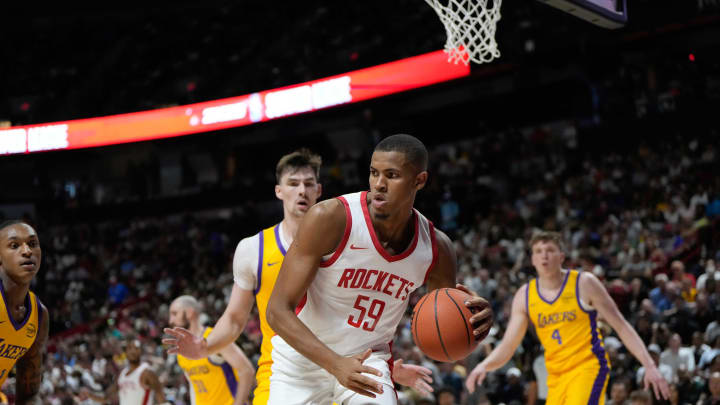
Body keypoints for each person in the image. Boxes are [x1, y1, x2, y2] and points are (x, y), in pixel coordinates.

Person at [164, 147, 437, 404]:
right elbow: (235, 318)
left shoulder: (347, 237)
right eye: (293, 184)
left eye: (308, 184)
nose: (302, 191)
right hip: (285, 372)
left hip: (345, 367)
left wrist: (384, 364)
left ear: (319, 190)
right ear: (279, 191)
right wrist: (205, 347)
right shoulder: (253, 249)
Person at [265, 134, 492, 404]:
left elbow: (445, 330)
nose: (379, 185)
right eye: (374, 173)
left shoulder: (436, 249)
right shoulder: (331, 218)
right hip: (300, 364)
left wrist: (475, 325)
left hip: (368, 362)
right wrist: (336, 364)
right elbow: (276, 310)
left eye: (392, 175)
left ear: (419, 180)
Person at [466, 231, 670, 404]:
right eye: (538, 252)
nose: (544, 256)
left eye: (550, 250)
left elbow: (621, 326)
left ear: (561, 256)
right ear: (532, 259)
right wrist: (484, 365)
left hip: (587, 367)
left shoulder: (584, 283)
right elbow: (508, 345)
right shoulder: (525, 295)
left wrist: (649, 365)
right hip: (555, 377)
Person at [168, 295, 255, 405]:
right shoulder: (181, 348)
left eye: (174, 314)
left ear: (190, 313)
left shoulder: (214, 337)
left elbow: (247, 371)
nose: (170, 320)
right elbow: (193, 386)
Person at [0, 220, 49, 405]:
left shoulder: (39, 315)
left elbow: (28, 394)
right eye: (14, 245)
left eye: (32, 243)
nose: (27, 251)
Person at [82, 337, 166, 404]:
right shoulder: (122, 375)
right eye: (129, 348)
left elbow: (161, 399)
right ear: (125, 352)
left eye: (136, 348)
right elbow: (105, 398)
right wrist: (90, 395)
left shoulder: (147, 372)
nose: (132, 351)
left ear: (140, 351)